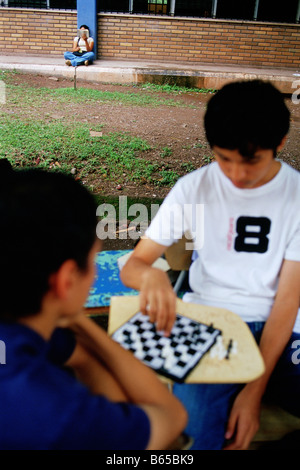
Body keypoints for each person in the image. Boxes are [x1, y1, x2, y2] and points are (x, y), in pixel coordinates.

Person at [120, 80, 300, 450]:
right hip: (209, 321)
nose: (235, 175)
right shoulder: (193, 188)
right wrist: (150, 275)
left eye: (251, 160)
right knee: (196, 432)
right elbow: (134, 264)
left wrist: (252, 391)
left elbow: (287, 301)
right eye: (223, 158)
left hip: (282, 327)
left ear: (280, 144)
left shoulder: (295, 195)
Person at [0, 162, 187, 450]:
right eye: (93, 260)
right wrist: (77, 317)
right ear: (66, 280)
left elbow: (83, 357)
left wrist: (71, 315)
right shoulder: (58, 414)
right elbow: (173, 417)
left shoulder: (19, 332)